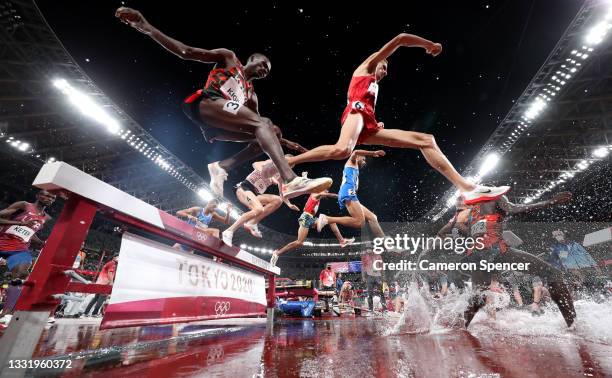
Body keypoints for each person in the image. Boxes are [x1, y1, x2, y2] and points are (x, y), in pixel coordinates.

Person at [116, 7, 331, 199]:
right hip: (205, 103)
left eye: (268, 71)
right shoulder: (229, 59)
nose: (265, 70)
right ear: (252, 59)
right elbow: (186, 51)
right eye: (264, 64)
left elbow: (260, 128)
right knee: (265, 125)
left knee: (271, 130)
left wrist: (284, 141)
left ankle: (222, 167)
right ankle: (290, 180)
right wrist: (146, 26)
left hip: (218, 125)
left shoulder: (251, 96)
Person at [281, 33, 509, 204]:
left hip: (366, 121)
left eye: (387, 68)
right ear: (374, 60)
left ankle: (466, 187)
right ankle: (287, 163)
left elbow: (366, 108)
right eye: (384, 65)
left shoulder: (374, 87)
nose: (386, 70)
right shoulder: (366, 68)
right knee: (342, 150)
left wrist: (373, 123)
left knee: (426, 140)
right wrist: (428, 45)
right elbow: (400, 39)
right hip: (355, 112)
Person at [463, 191, 576, 328]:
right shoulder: (495, 196)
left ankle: (461, 325)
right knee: (553, 273)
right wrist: (549, 202)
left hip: (475, 255)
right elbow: (513, 208)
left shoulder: (471, 212)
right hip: (496, 250)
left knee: (478, 298)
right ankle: (573, 324)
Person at [0, 190, 56, 323]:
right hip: (2, 242)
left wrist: (41, 243)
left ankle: (7, 313)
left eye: (52, 197)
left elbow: (31, 232)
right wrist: (21, 224)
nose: (49, 198)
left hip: (19, 248)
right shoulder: (24, 205)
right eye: (46, 195)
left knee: (21, 273)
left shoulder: (46, 218)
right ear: (38, 196)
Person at [221, 157, 298, 246]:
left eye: (289, 167)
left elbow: (282, 193)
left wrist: (289, 204)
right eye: (287, 164)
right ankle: (229, 231)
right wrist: (268, 175)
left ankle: (252, 223)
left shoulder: (280, 176)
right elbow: (255, 164)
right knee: (258, 209)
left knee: (278, 200)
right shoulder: (271, 163)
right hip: (243, 188)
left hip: (254, 194)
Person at [316, 150, 388, 243]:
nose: (365, 161)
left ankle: (387, 245)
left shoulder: (355, 170)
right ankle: (327, 219)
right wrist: (372, 153)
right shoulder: (352, 162)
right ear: (358, 157)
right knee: (359, 222)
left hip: (349, 192)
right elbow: (356, 151)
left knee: (373, 217)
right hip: (348, 192)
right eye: (364, 158)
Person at [270, 191, 354, 266]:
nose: (326, 193)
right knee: (299, 242)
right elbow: (329, 194)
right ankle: (277, 253)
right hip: (306, 218)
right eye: (325, 191)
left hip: (311, 219)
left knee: (332, 221)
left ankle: (342, 241)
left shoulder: (317, 197)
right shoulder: (316, 193)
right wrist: (341, 196)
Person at [361, 248, 387, 312]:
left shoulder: (378, 256)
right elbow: (363, 267)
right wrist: (363, 277)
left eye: (370, 249)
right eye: (367, 249)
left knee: (381, 293)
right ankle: (370, 309)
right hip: (370, 276)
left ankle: (385, 309)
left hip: (378, 276)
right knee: (369, 294)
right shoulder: (365, 257)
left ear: (372, 249)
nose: (368, 250)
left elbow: (382, 267)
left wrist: (383, 277)